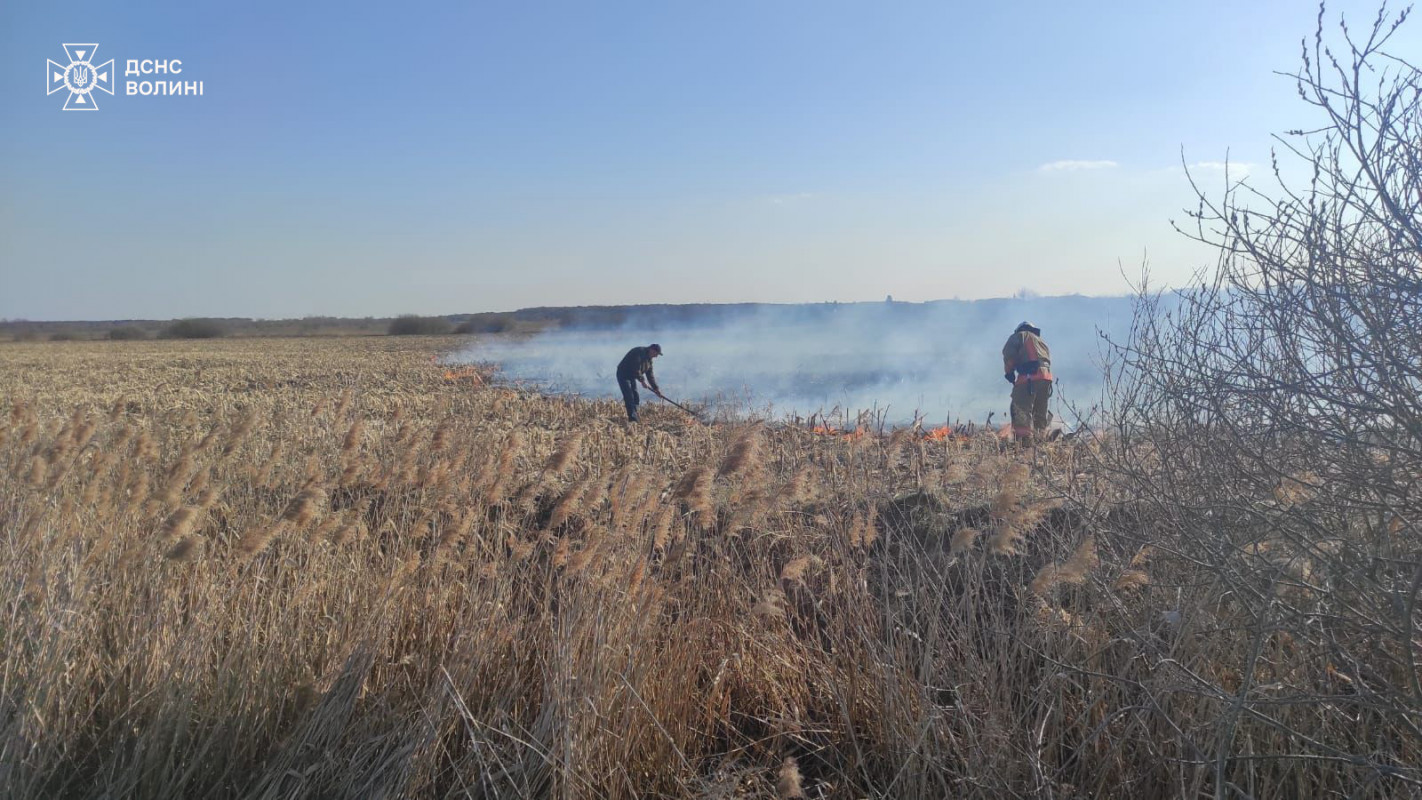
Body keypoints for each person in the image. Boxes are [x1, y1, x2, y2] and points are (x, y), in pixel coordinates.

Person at [1002, 321, 1054, 442]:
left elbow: (1009, 355)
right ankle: (1040, 440)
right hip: (1046, 379)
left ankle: (1023, 442)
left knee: (1020, 408)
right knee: (1040, 412)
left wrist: (1009, 372)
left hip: (1029, 377)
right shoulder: (1041, 342)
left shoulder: (1020, 335)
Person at [616, 343, 662, 421]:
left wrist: (656, 388)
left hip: (632, 376)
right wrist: (642, 381)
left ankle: (635, 414)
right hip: (623, 374)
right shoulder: (639, 352)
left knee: (636, 396)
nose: (656, 356)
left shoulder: (649, 360)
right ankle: (632, 419)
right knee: (629, 396)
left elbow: (650, 375)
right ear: (651, 350)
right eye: (656, 354)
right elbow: (636, 368)